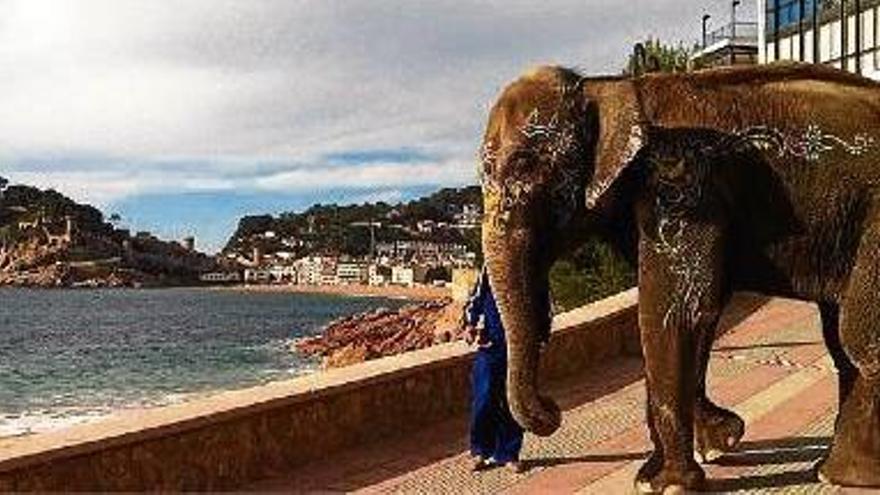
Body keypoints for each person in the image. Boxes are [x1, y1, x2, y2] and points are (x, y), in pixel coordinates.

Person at [463, 266, 550, 474]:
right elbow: (477, 295)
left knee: (514, 399)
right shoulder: (491, 266)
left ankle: (509, 453)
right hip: (491, 344)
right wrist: (470, 323)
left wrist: (542, 338)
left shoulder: (533, 268)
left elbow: (544, 304)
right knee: (484, 398)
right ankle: (479, 451)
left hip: (521, 348)